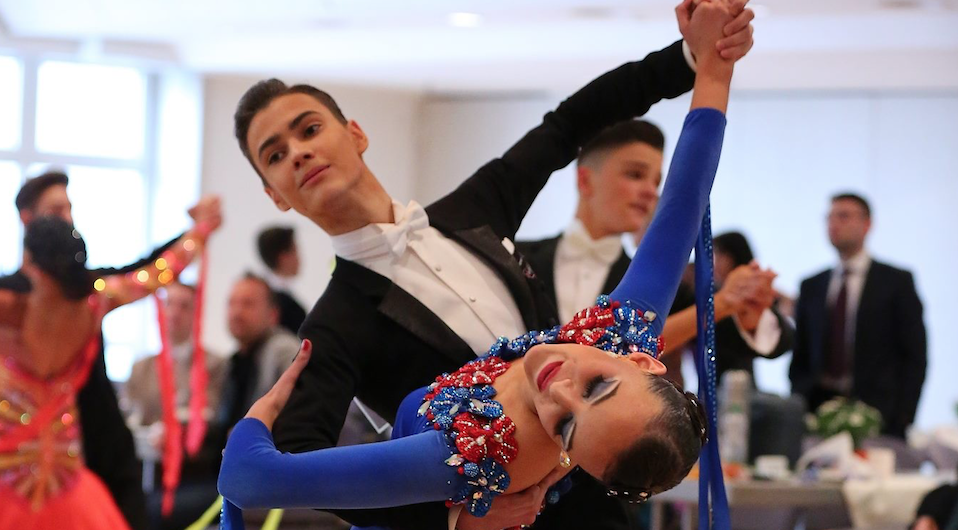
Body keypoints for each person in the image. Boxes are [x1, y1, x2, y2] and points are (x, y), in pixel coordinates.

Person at [232, 3, 753, 528]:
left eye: (309, 129)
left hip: (600, 501)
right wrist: (454, 520)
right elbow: (299, 459)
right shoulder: (333, 322)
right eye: (274, 155)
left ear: (356, 134)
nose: (297, 153)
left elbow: (572, 123)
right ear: (275, 196)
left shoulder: (476, 210)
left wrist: (695, 56)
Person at [0, 198, 220, 529]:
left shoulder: (9, 306)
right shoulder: (94, 302)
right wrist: (201, 229)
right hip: (69, 489)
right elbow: (158, 273)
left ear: (29, 258)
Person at [789, 193, 927, 438]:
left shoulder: (896, 282)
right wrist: (800, 397)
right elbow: (801, 353)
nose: (834, 223)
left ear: (867, 224)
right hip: (818, 410)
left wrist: (904, 414)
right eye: (829, 217)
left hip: (880, 413)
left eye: (843, 216)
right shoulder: (812, 285)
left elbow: (914, 354)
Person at [124, 280, 227, 530]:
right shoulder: (142, 367)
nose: (175, 313)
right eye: (169, 304)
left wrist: (171, 428)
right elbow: (129, 413)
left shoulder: (213, 364)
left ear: (195, 312)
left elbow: (207, 415)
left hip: (191, 473)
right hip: (144, 467)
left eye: (184, 306)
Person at [216, 273, 301, 438]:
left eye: (248, 304)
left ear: (273, 315)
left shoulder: (284, 351)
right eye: (232, 303)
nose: (237, 312)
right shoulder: (234, 361)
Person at [256, 226, 307, 334]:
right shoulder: (284, 305)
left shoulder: (265, 296)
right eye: (295, 250)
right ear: (283, 256)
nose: (299, 258)